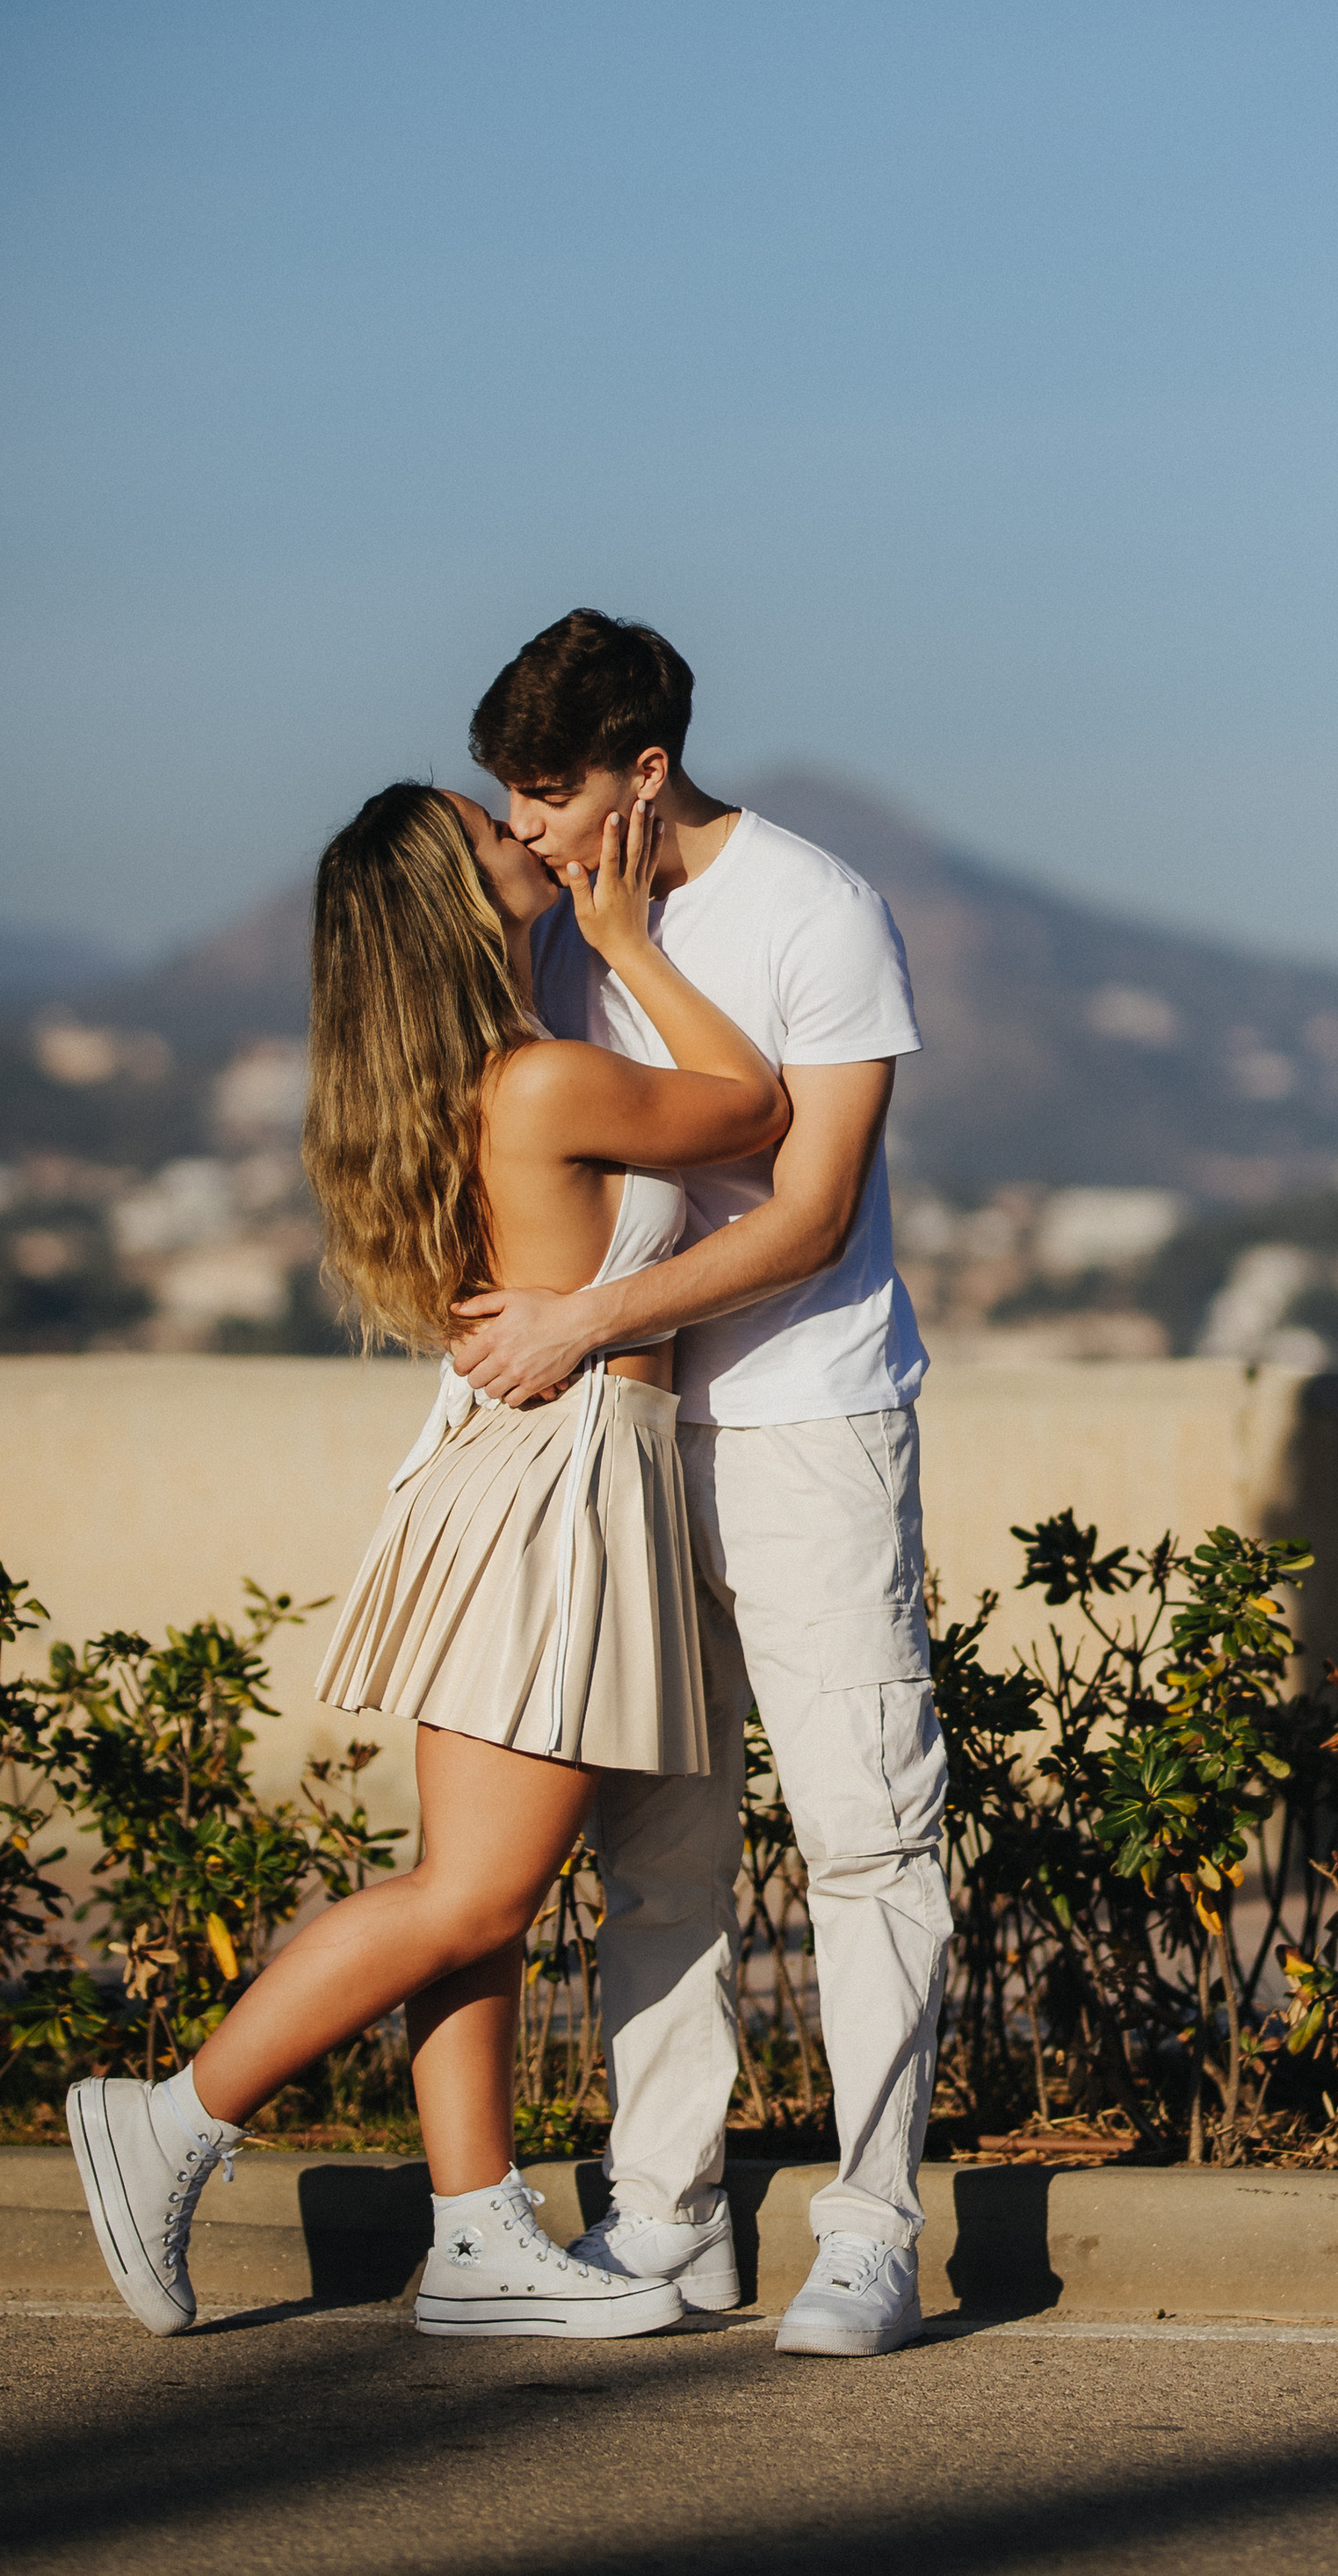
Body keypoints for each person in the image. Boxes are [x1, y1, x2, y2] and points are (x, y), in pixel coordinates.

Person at [66, 782, 788, 2342]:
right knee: (470, 1892)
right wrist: (631, 940)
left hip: (533, 1475)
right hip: (563, 1483)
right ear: (456, 906)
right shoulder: (534, 1084)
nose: (528, 839)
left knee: (479, 1901)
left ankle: (473, 2230)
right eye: (493, 838)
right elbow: (754, 1107)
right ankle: (173, 2118)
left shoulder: (479, 1079)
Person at [450, 610, 945, 2360]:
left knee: (865, 1834)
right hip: (630, 1449)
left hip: (808, 1425)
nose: (529, 838)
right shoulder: (559, 940)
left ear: (642, 771)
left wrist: (580, 1317)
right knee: (653, 1851)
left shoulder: (817, 911)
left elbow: (805, 1214)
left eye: (550, 801)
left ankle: (871, 2231)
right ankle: (660, 2218)